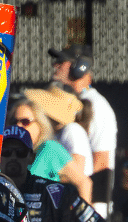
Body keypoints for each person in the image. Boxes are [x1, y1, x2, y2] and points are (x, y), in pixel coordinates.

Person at [50, 44, 118, 204]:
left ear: (79, 67)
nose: (55, 65)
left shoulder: (97, 105)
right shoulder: (69, 102)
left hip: (88, 205)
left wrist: (87, 209)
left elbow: (101, 161)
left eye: (61, 61)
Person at [8, 94, 92, 203]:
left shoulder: (50, 149)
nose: (19, 126)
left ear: (39, 124)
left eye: (25, 122)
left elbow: (84, 183)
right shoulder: (9, 153)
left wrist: (82, 216)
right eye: (14, 122)